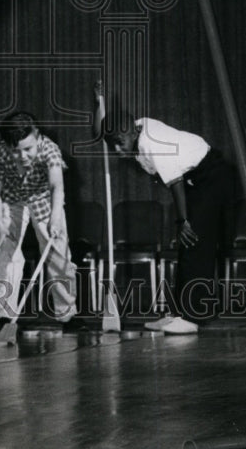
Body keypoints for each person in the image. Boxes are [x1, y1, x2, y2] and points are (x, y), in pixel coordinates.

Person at [93, 80, 234, 334]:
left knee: (194, 242)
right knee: (185, 246)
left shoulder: (151, 142)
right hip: (195, 181)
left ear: (130, 133)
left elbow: (176, 183)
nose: (116, 149)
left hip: (211, 176)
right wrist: (98, 104)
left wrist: (183, 222)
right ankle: (177, 313)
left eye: (119, 142)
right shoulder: (133, 129)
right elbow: (101, 132)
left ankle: (192, 319)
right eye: (113, 144)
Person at [0, 110, 82, 334]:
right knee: (7, 256)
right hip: (12, 200)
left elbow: (57, 186)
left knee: (58, 254)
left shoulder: (49, 149)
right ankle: (5, 317)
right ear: (6, 145)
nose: (23, 156)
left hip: (44, 198)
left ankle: (67, 315)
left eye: (28, 149)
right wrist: (1, 225)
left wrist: (56, 218)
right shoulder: (1, 153)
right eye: (16, 151)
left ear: (37, 136)